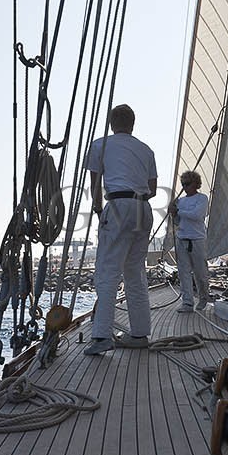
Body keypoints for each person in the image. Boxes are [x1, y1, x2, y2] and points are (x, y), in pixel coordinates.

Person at [83, 104, 159, 355]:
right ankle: (140, 333)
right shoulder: (146, 149)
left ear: (111, 123)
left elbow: (95, 183)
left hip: (117, 205)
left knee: (108, 272)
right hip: (143, 208)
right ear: (133, 124)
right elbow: (153, 189)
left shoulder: (100, 145)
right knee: (135, 273)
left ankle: (102, 336)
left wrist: (98, 210)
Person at [172, 170, 210, 312]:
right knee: (184, 273)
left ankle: (203, 298)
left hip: (197, 240)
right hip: (181, 239)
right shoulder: (180, 201)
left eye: (187, 184)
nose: (184, 187)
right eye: (183, 184)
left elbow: (197, 215)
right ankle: (187, 303)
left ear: (195, 184)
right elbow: (177, 221)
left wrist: (178, 211)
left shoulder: (202, 199)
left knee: (200, 273)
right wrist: (173, 213)